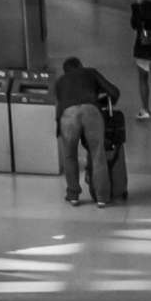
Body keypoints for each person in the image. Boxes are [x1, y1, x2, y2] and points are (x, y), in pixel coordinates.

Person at [53, 57, 118, 207]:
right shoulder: (90, 73)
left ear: (65, 71)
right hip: (91, 111)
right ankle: (102, 198)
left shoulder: (60, 82)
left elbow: (60, 105)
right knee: (98, 155)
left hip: (68, 115)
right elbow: (114, 91)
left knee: (69, 156)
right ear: (81, 66)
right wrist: (102, 103)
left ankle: (73, 195)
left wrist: (59, 128)